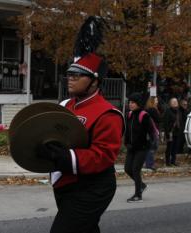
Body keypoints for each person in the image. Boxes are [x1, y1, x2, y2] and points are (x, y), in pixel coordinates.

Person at [36, 16, 124, 233]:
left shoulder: (108, 114)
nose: (70, 78)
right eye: (69, 74)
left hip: (93, 187)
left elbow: (103, 156)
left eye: (78, 75)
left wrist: (64, 157)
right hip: (65, 182)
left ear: (94, 81)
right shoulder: (65, 105)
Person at [124, 93, 158, 202]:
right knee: (127, 169)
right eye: (129, 102)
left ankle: (138, 195)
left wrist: (150, 145)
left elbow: (152, 131)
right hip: (131, 147)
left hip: (142, 148)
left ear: (138, 104)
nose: (130, 104)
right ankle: (142, 186)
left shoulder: (144, 115)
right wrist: (126, 143)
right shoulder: (129, 114)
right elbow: (127, 131)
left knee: (135, 169)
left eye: (133, 103)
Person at [164, 97, 182, 166]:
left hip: (177, 132)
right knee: (169, 147)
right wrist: (167, 133)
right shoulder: (168, 111)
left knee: (175, 147)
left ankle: (173, 161)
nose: (175, 103)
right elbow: (166, 123)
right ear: (170, 103)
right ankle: (168, 162)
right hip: (170, 132)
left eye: (176, 101)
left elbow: (180, 121)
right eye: (173, 102)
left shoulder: (178, 111)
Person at [144, 96, 161, 170]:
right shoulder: (153, 110)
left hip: (149, 130)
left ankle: (148, 162)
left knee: (150, 147)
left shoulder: (147, 109)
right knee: (152, 147)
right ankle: (150, 164)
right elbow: (158, 119)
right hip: (153, 130)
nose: (157, 101)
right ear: (152, 101)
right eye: (156, 100)